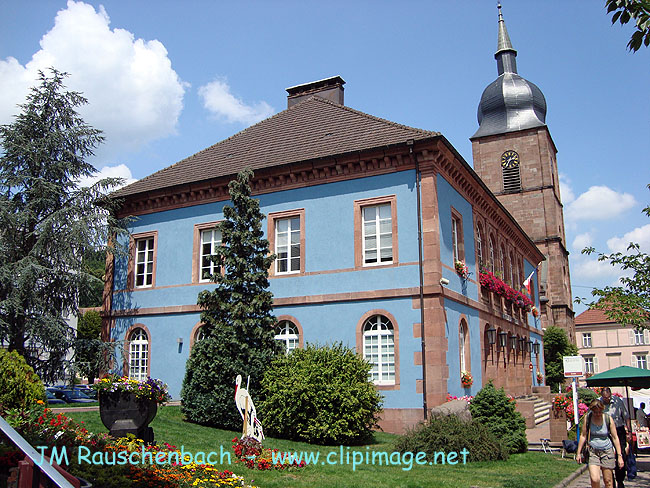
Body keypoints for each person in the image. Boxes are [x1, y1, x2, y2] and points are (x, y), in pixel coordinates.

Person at [576, 399, 625, 488]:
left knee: (608, 481)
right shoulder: (588, 418)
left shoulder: (607, 418)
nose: (598, 414)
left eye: (599, 412)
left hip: (607, 451)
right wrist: (578, 453)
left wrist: (619, 456)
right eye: (595, 412)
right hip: (593, 452)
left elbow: (615, 437)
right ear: (592, 411)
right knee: (595, 479)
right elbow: (583, 435)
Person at [600, 387, 631, 488]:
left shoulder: (618, 402)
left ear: (610, 395)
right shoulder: (598, 403)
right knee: (606, 457)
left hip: (618, 430)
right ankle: (610, 480)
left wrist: (629, 431)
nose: (606, 400)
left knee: (621, 455)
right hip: (605, 432)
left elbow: (626, 417)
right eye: (604, 398)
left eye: (608, 398)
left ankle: (620, 479)